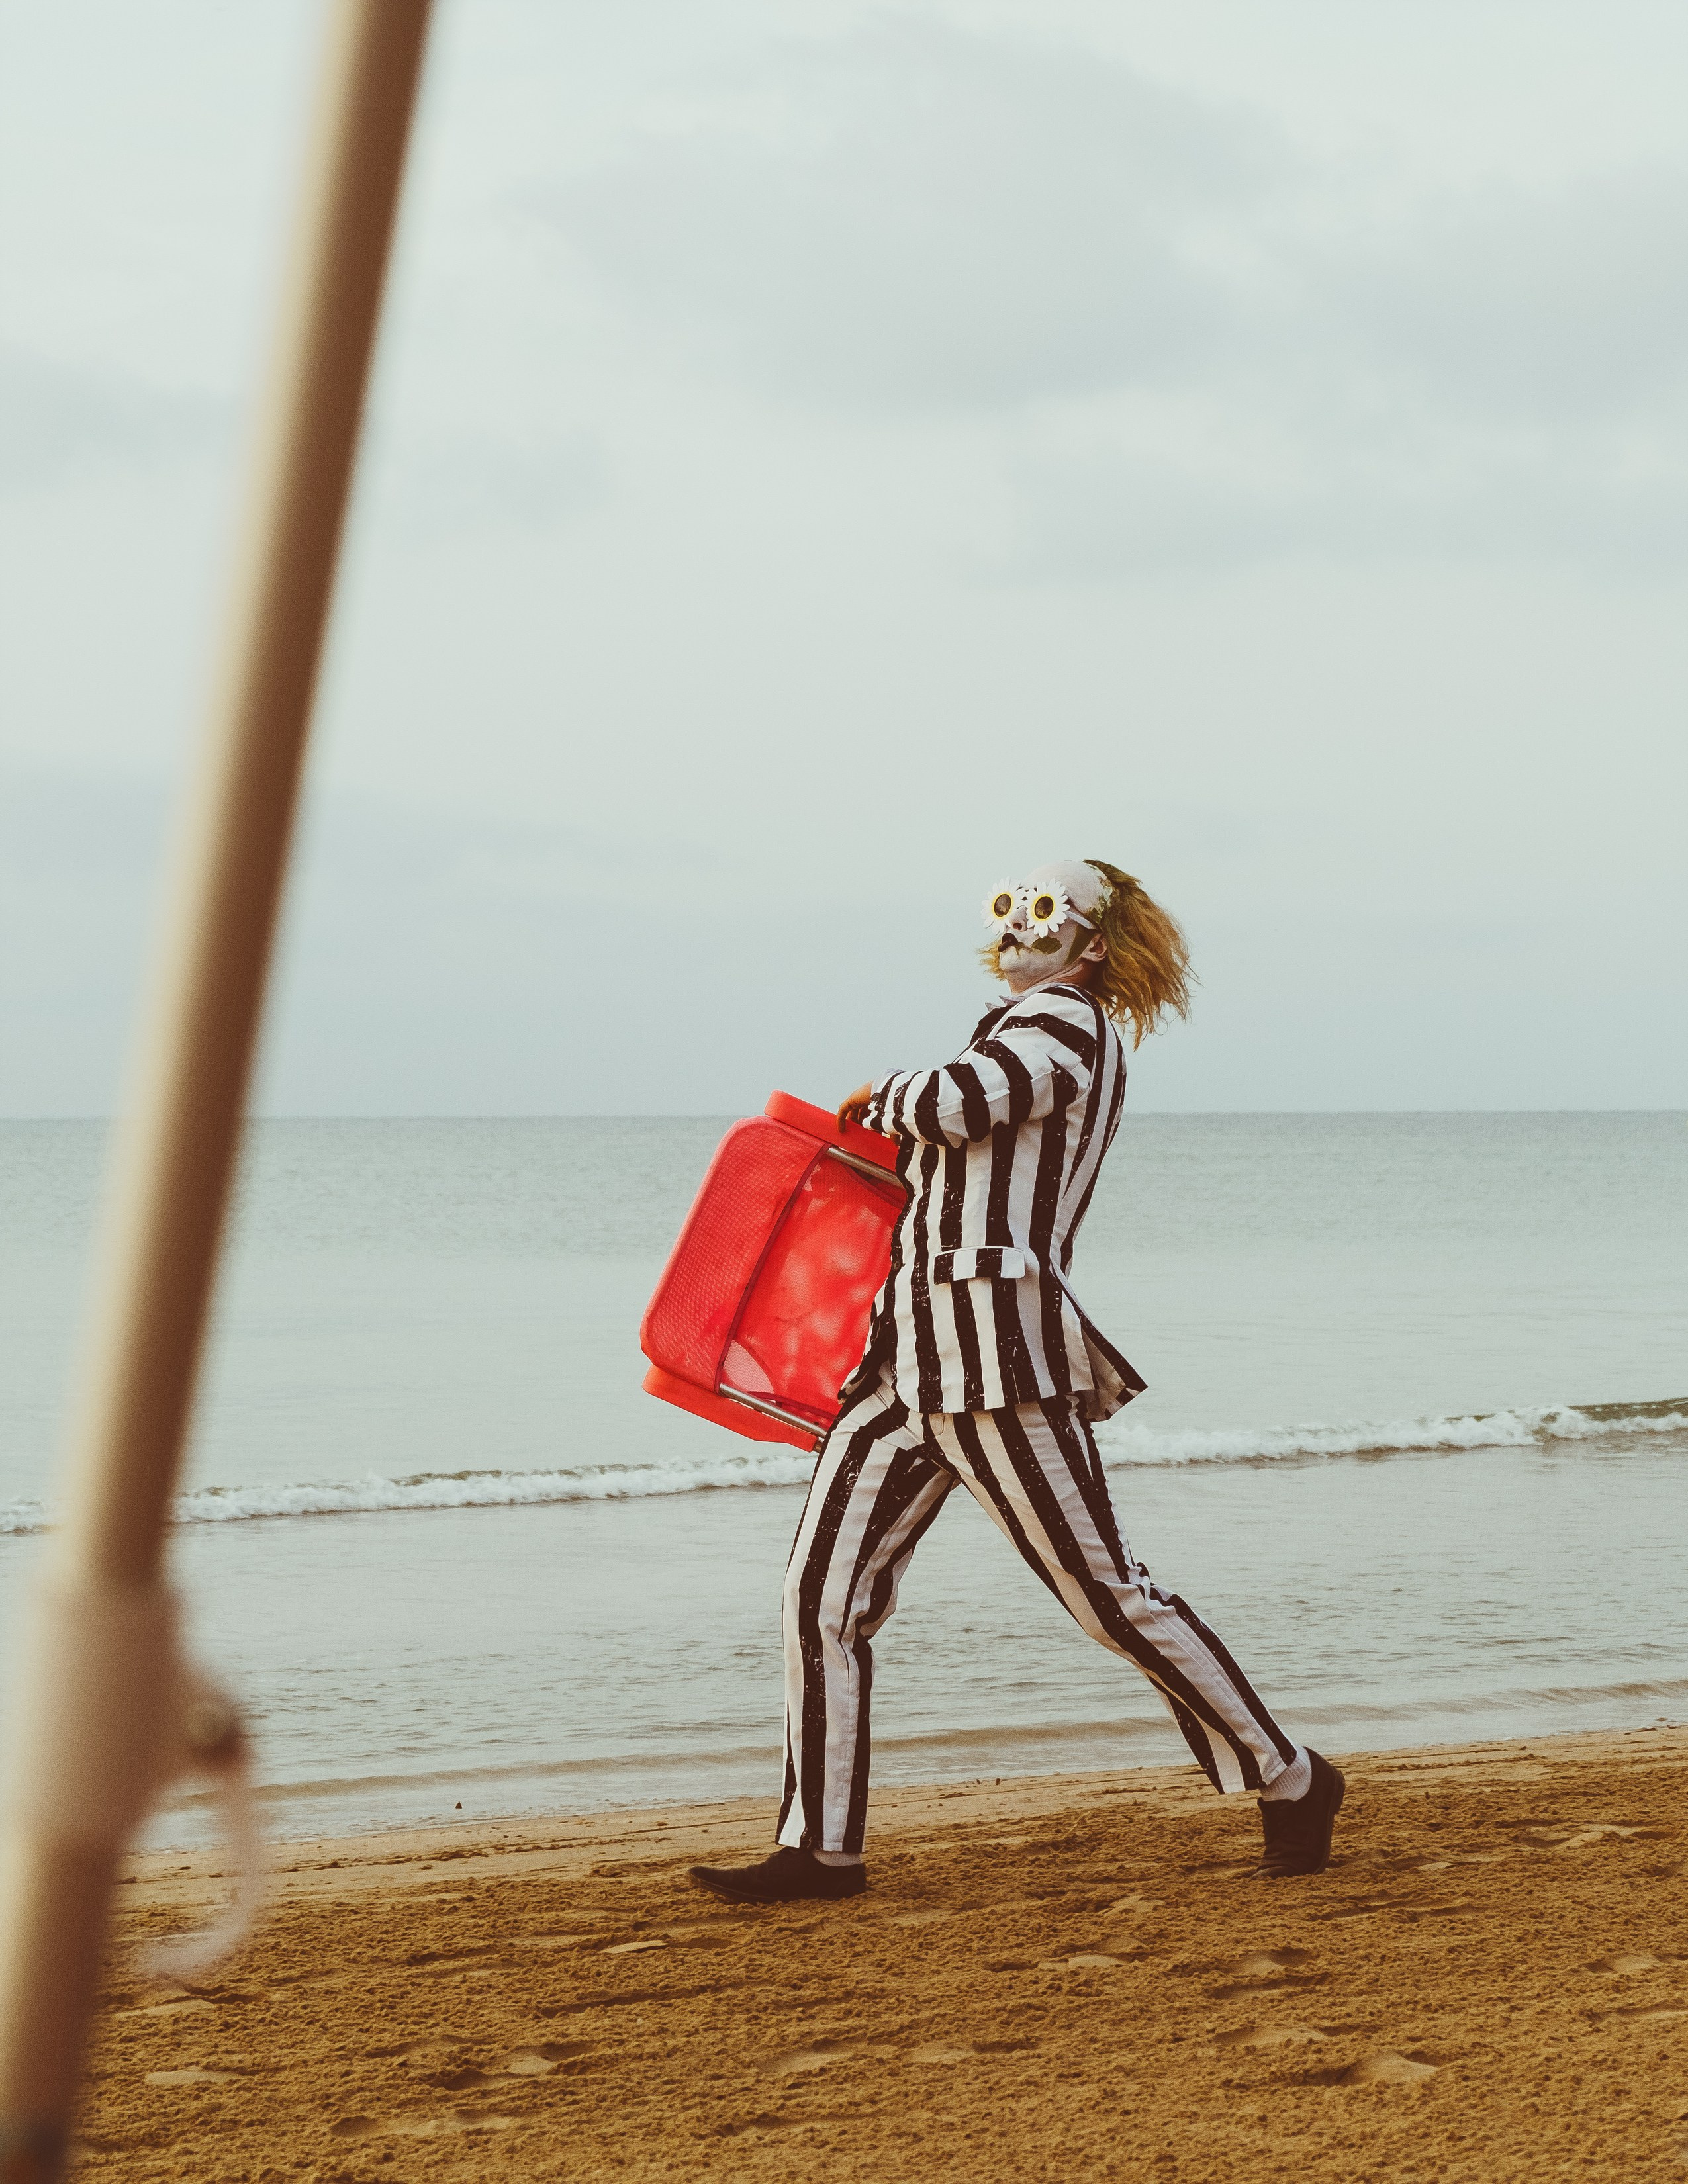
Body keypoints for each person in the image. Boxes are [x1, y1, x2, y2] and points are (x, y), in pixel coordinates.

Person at [690, 860, 1342, 1905]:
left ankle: (1290, 1778)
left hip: (998, 1366)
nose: (1017, 925)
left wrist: (882, 1096)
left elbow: (967, 1102)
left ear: (1090, 944)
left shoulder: (1066, 1026)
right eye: (1007, 907)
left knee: (1106, 1599)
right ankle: (819, 1851)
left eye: (1045, 910)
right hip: (904, 1367)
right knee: (821, 1598)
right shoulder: (1010, 1026)